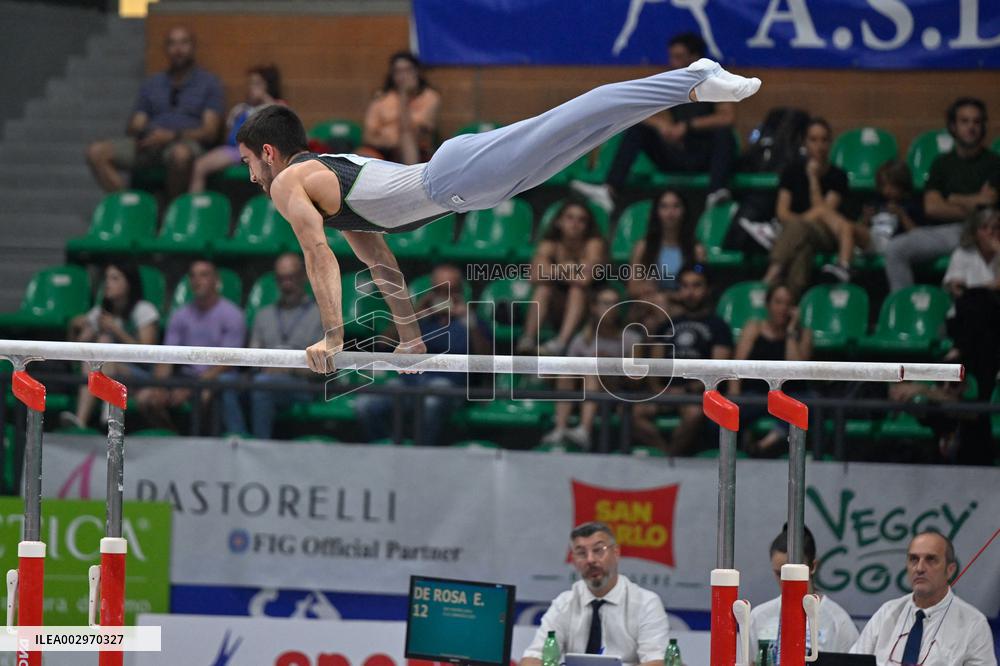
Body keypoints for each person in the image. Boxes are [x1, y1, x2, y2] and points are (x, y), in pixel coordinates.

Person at [234, 59, 761, 373]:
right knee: (590, 131)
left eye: (249, 162)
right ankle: (683, 85)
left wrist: (333, 336)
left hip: (455, 176)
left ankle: (691, 81)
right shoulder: (328, 190)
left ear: (270, 153)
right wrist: (410, 336)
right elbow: (379, 262)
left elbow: (316, 257)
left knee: (581, 114)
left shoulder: (289, 182)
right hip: (473, 190)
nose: (252, 176)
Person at [571, 33, 739, 213]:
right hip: (676, 154)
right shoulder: (673, 84)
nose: (673, 63)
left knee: (724, 134)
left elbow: (727, 117)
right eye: (672, 57)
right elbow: (639, 111)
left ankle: (716, 193)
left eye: (679, 57)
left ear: (695, 58)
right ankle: (610, 190)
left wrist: (688, 126)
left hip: (704, 158)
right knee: (638, 128)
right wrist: (661, 126)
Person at [86, 26, 224, 201]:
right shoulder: (153, 83)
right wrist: (146, 132)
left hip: (185, 142)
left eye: (184, 43)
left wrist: (172, 136)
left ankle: (170, 213)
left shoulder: (208, 83)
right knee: (96, 152)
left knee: (180, 155)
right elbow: (136, 123)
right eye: (172, 44)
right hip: (150, 142)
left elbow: (210, 132)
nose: (178, 49)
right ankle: (132, 206)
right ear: (166, 49)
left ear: (192, 47)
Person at [885, 97, 1000, 292]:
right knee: (895, 249)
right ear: (953, 126)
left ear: (983, 127)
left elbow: (988, 204)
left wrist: (954, 198)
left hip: (984, 233)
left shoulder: (994, 163)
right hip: (946, 233)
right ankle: (904, 310)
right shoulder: (941, 163)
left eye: (976, 122)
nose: (971, 127)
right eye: (964, 121)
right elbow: (932, 207)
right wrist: (974, 203)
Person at [520, 522, 670, 666]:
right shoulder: (564, 603)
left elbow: (657, 662)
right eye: (581, 553)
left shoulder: (646, 603)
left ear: (616, 553)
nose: (590, 560)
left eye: (598, 550)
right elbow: (533, 658)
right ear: (573, 560)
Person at [352, 264, 471, 446]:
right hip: (409, 383)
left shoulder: (469, 320)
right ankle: (388, 449)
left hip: (447, 384)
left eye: (451, 290)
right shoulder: (420, 319)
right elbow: (383, 344)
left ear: (460, 292)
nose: (444, 295)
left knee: (431, 403)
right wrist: (414, 314)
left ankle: (420, 455)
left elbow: (487, 357)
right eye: (439, 290)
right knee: (365, 404)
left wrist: (469, 321)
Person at [851, 531, 996, 666]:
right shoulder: (887, 613)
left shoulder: (974, 624)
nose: (919, 568)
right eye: (913, 559)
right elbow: (853, 662)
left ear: (950, 570)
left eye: (931, 559)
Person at [135, 260, 246, 434]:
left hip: (217, 377)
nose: (197, 280)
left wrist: (192, 388)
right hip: (184, 377)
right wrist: (159, 387)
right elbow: (167, 356)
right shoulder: (180, 315)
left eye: (204, 275)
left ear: (216, 281)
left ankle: (230, 440)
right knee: (146, 398)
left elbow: (229, 361)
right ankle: (172, 441)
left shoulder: (232, 315)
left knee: (207, 392)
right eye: (193, 276)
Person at [633, 265, 733, 455]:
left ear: (708, 289)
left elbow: (718, 371)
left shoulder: (718, 326)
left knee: (694, 415)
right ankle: (666, 454)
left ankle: (673, 457)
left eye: (696, 286)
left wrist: (687, 390)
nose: (690, 292)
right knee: (633, 413)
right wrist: (659, 389)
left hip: (697, 395)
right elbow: (654, 364)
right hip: (666, 393)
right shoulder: (667, 325)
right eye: (685, 286)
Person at [541, 284, 643, 450]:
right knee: (568, 373)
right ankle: (560, 428)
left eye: (614, 303)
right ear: (594, 307)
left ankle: (584, 431)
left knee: (592, 370)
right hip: (584, 391)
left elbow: (636, 380)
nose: (610, 308)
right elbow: (568, 367)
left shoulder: (631, 339)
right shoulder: (583, 338)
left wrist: (611, 365)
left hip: (616, 393)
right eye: (605, 303)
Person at [61, 263, 160, 429]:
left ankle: (108, 409)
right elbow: (76, 350)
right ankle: (81, 421)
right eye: (106, 278)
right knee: (97, 351)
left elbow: (145, 356)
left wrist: (117, 329)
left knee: (105, 347)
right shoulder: (100, 312)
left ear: (129, 283)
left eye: (114, 278)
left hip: (140, 375)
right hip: (107, 372)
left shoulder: (144, 310)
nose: (107, 283)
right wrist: (77, 328)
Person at [762, 118, 851, 296]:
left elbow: (824, 213)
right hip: (801, 235)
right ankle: (793, 298)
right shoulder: (791, 171)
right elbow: (782, 212)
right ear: (805, 142)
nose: (819, 145)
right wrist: (799, 226)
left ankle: (770, 275)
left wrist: (813, 178)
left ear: (830, 143)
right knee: (803, 248)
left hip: (826, 235)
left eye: (824, 140)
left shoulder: (838, 176)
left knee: (799, 228)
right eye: (814, 139)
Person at [748, 525, 858, 664]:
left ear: (813, 566)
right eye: (779, 573)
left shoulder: (838, 622)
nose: (785, 581)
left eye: (792, 574)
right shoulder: (759, 616)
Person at [245, 253, 324, 439]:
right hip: (265, 379)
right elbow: (251, 359)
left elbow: (324, 368)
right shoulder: (263, 315)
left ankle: (258, 447)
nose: (286, 284)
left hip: (304, 385)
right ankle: (237, 437)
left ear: (304, 276)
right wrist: (266, 367)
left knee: (262, 386)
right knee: (225, 383)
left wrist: (287, 369)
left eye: (292, 277)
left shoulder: (321, 316)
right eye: (281, 278)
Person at [516, 200, 608, 356]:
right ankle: (528, 338)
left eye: (581, 220)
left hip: (589, 308)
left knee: (576, 290)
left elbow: (585, 279)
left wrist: (553, 271)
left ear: (588, 225)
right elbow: (535, 276)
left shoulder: (594, 244)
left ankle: (561, 343)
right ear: (559, 222)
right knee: (543, 288)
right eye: (570, 218)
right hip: (555, 305)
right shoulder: (549, 244)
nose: (575, 224)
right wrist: (569, 267)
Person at [729, 284, 812, 456]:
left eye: (788, 304)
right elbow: (736, 367)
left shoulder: (804, 334)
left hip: (790, 397)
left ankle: (766, 443)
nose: (783, 308)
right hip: (756, 395)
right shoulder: (753, 327)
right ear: (768, 305)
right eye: (778, 302)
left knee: (809, 403)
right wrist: (733, 397)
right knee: (719, 416)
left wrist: (790, 332)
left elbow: (796, 371)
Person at [189, 65, 283, 193]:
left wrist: (264, 97)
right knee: (199, 166)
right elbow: (229, 133)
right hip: (235, 151)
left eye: (257, 84)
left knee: (266, 169)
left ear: (268, 86)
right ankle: (194, 208)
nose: (252, 88)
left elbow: (281, 117)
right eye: (250, 84)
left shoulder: (273, 107)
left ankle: (268, 208)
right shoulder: (241, 109)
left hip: (259, 153)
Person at [627, 189, 706, 323]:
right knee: (657, 304)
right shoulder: (643, 247)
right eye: (664, 206)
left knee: (652, 321)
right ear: (656, 212)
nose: (670, 212)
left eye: (676, 206)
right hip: (647, 303)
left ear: (684, 211)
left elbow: (700, 284)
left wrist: (671, 295)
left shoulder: (696, 250)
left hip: (682, 305)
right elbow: (633, 287)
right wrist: (647, 289)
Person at [358, 51, 441, 165]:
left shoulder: (429, 96)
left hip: (415, 148)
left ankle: (409, 178)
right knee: (361, 156)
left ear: (417, 72)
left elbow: (408, 129)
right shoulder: (382, 97)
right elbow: (368, 135)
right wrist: (387, 143)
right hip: (383, 148)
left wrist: (404, 95)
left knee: (407, 138)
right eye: (398, 71)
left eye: (408, 70)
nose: (403, 76)